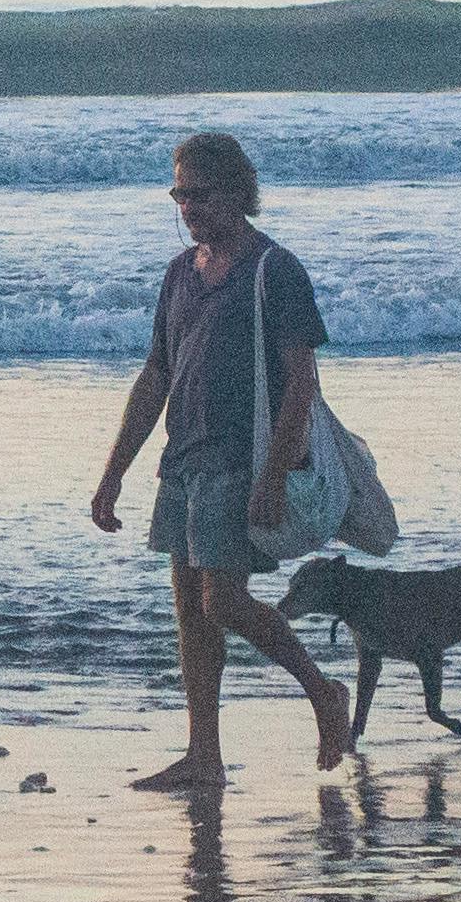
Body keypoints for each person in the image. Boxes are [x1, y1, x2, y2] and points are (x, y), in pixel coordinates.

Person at [88, 130, 353, 790]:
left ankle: (323, 691)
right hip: (184, 458)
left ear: (237, 191)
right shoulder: (180, 273)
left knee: (223, 601)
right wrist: (113, 472)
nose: (187, 208)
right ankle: (203, 755)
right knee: (191, 613)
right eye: (178, 194)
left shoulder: (273, 270)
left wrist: (274, 472)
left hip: (242, 460)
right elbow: (155, 373)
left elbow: (301, 381)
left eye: (198, 194)